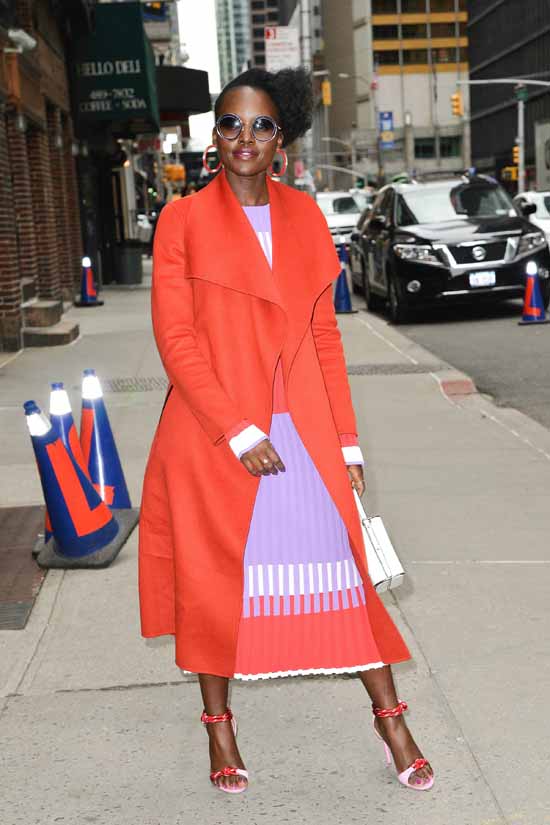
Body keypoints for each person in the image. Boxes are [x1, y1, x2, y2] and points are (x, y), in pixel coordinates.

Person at [139, 67, 434, 795]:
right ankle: (220, 729)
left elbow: (323, 336)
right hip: (215, 436)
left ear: (282, 140)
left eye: (261, 125)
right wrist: (236, 430)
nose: (246, 137)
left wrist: (347, 440)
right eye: (232, 124)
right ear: (216, 135)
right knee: (214, 586)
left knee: (342, 572)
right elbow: (176, 339)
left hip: (300, 429)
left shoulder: (304, 216)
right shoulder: (183, 220)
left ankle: (392, 719)